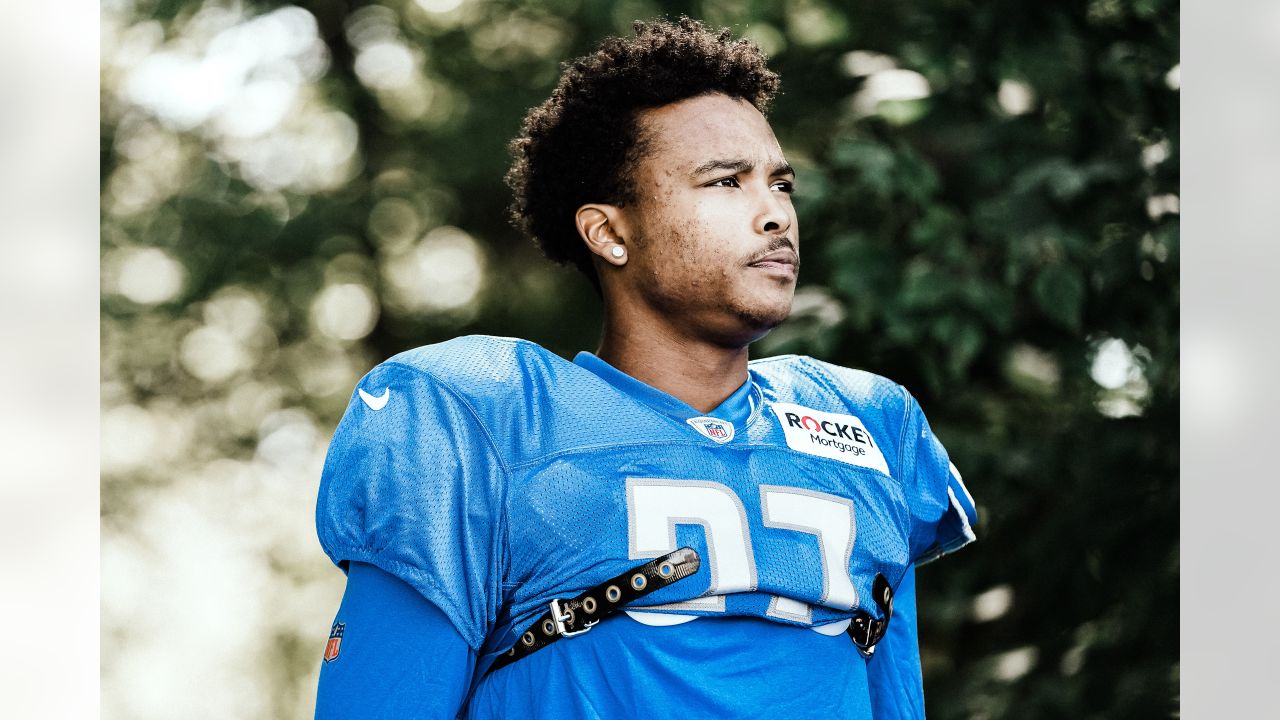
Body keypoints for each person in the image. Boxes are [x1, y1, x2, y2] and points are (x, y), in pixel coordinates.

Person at [313, 17, 976, 720]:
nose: (775, 214)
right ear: (609, 232)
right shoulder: (480, 415)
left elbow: (894, 700)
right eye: (725, 182)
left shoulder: (871, 423)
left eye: (781, 185)